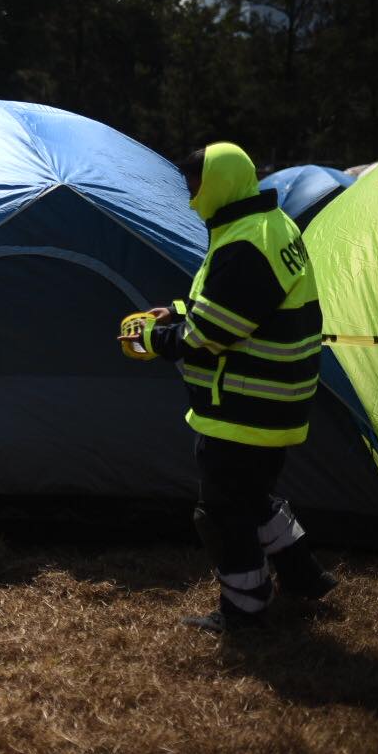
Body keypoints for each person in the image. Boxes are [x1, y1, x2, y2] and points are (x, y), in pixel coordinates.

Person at [123, 143, 337, 634]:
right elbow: (234, 308)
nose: (192, 198)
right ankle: (304, 576)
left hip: (245, 402)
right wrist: (178, 312)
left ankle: (245, 607)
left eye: (196, 185)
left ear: (218, 183)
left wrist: (156, 338)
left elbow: (210, 338)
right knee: (254, 495)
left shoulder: (243, 244)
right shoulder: (268, 226)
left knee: (221, 509)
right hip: (276, 398)